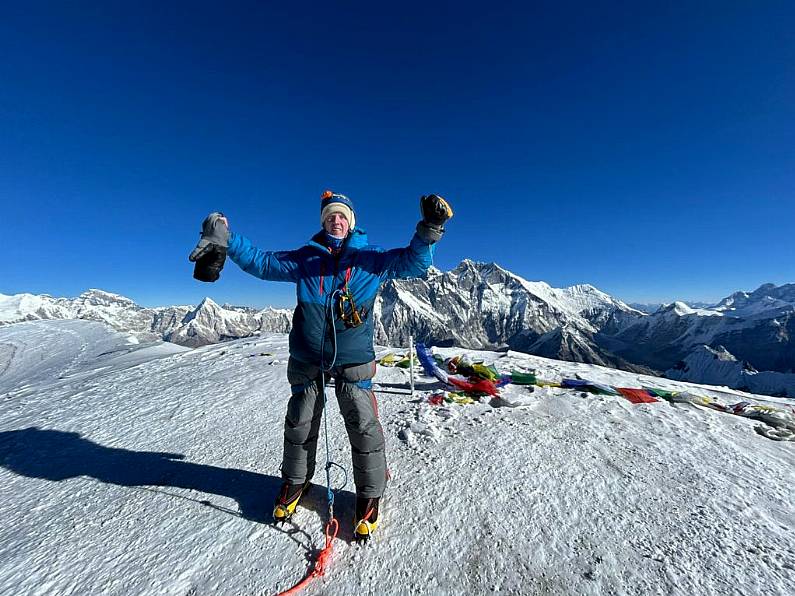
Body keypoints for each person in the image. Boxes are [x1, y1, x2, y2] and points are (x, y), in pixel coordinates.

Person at [188, 190, 453, 540]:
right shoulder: (305, 258)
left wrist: (430, 228)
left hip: (353, 357)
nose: (336, 220)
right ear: (323, 222)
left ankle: (369, 494)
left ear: (351, 222)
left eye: (341, 216)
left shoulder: (370, 259)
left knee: (362, 424)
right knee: (300, 422)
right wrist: (227, 237)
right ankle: (295, 482)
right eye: (330, 216)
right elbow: (262, 262)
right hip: (307, 355)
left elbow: (413, 263)